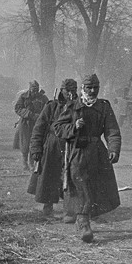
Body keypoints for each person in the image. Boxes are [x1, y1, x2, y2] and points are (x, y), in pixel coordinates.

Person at [52, 74, 121, 243]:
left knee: (96, 185)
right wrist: (73, 127)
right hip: (78, 151)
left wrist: (113, 149)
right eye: (89, 87)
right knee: (80, 183)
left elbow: (112, 130)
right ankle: (83, 221)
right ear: (82, 88)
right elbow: (58, 127)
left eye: (95, 87)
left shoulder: (104, 106)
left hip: (97, 152)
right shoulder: (73, 105)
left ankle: (84, 216)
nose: (92, 91)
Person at [27, 78, 78, 219]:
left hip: (71, 145)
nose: (70, 94)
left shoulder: (79, 106)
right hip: (52, 145)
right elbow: (39, 128)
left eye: (73, 91)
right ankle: (47, 207)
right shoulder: (51, 107)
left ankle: (72, 210)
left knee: (71, 175)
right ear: (62, 91)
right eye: (67, 91)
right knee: (48, 175)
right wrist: (36, 149)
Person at [14, 80, 48, 170]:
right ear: (30, 89)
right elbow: (18, 108)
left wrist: (41, 116)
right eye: (33, 90)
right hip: (26, 123)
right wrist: (29, 114)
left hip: (38, 123)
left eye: (37, 90)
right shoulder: (24, 97)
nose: (35, 92)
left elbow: (48, 108)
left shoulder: (43, 98)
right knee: (25, 143)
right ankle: (24, 162)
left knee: (35, 143)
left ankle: (32, 163)